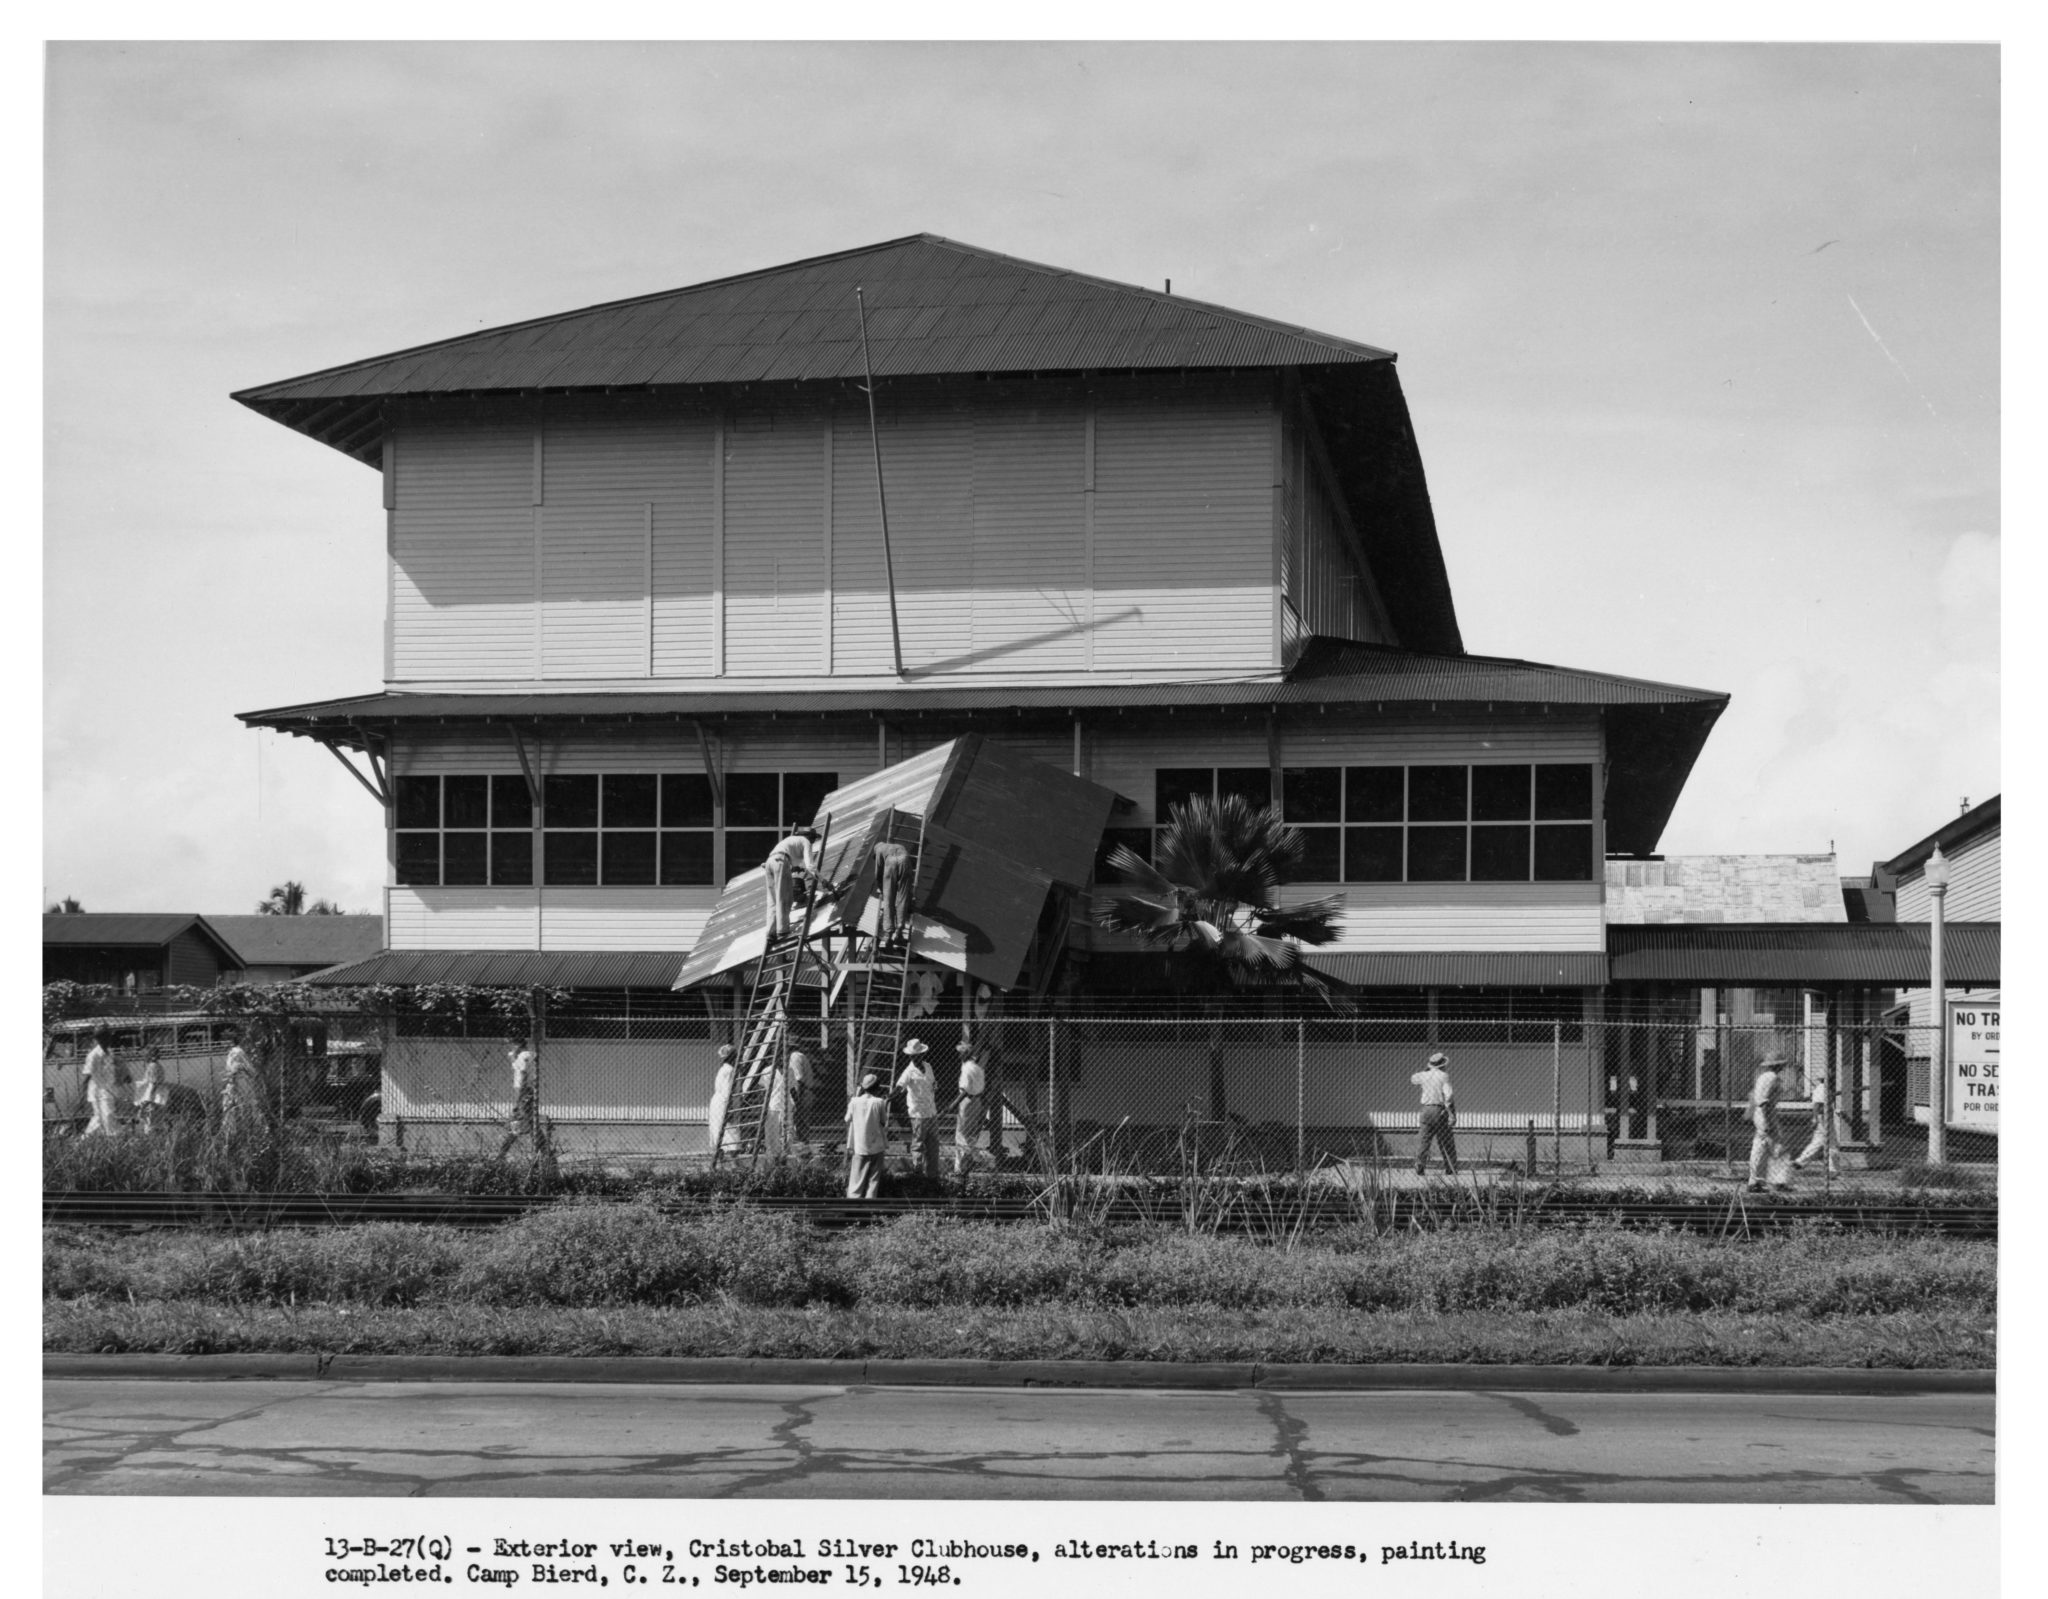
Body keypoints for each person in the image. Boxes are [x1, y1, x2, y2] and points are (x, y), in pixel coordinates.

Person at [1746, 1044, 1794, 1194]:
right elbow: (1765, 1101)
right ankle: (1778, 1181)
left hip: (1762, 1115)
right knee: (1779, 1148)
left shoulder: (1763, 1077)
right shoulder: (1772, 1078)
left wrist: (1751, 1113)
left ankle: (1756, 1181)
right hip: (1766, 1115)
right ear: (1778, 1065)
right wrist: (1768, 1121)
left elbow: (1754, 1096)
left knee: (1761, 1148)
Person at [763, 826, 821, 942]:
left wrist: (796, 869)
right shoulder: (805, 842)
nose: (812, 842)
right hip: (781, 861)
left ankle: (771, 933)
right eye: (813, 839)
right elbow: (810, 866)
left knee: (772, 901)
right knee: (785, 898)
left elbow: (792, 861)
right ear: (808, 836)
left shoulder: (789, 840)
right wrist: (822, 880)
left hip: (769, 863)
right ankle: (783, 931)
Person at [894, 1037, 939, 1180]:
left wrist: (934, 1087)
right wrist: (890, 1096)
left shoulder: (928, 1066)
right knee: (918, 1145)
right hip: (918, 1113)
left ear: (921, 1054)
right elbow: (900, 1086)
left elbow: (933, 1083)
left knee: (933, 1146)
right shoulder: (909, 1071)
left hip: (931, 1111)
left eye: (915, 1055)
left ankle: (932, 1175)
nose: (913, 1058)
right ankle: (917, 1174)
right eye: (911, 1056)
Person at [1411, 1050, 1458, 1177]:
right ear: (1442, 1064)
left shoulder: (1423, 1075)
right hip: (1439, 1109)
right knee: (1446, 1140)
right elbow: (1449, 1095)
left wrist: (1427, 1071)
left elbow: (1413, 1079)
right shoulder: (1444, 1076)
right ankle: (1451, 1167)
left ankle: (1420, 1164)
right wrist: (1450, 1112)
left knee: (1424, 1140)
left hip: (1426, 1109)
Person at [845, 1071, 889, 1198]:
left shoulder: (854, 1102)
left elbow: (847, 1119)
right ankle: (870, 1207)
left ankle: (852, 1206)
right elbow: (883, 1121)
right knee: (873, 1180)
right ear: (878, 1088)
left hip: (859, 1146)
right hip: (876, 1146)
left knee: (856, 1180)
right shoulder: (879, 1102)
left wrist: (857, 1097)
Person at [498, 1033, 543, 1157]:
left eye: (512, 1045)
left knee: (517, 1123)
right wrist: (513, 1056)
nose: (511, 1048)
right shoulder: (528, 1055)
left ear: (517, 1044)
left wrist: (517, 1101)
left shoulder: (523, 1056)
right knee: (531, 1124)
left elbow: (523, 1076)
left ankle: (501, 1154)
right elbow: (517, 1067)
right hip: (527, 1091)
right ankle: (543, 1150)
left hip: (523, 1092)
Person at [81, 1026, 126, 1138]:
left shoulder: (109, 1052)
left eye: (109, 1037)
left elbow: (112, 1070)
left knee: (100, 1117)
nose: (109, 1039)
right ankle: (115, 1137)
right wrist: (82, 1091)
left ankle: (85, 1139)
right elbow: (88, 1074)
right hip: (98, 1091)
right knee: (107, 1114)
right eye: (105, 1037)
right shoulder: (93, 1055)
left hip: (109, 1089)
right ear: (99, 1039)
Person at [220, 1030, 263, 1141]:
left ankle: (233, 1131)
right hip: (240, 1081)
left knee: (233, 1105)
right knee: (246, 1104)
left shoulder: (235, 1052)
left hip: (238, 1081)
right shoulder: (237, 1052)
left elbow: (239, 1068)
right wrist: (252, 1073)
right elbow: (250, 1069)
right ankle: (250, 1129)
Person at [953, 1045, 987, 1178]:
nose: (958, 1055)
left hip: (967, 1101)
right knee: (971, 1133)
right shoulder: (978, 1068)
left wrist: (952, 1105)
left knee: (961, 1134)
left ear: (964, 1054)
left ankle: (963, 1165)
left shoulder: (966, 1069)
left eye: (960, 1053)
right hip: (977, 1100)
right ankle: (970, 1161)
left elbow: (965, 1090)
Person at [873, 839, 912, 942]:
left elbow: (878, 873)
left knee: (888, 898)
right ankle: (900, 926)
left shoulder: (878, 850)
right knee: (902, 897)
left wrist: (881, 888)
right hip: (905, 860)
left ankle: (889, 931)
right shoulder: (897, 845)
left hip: (891, 863)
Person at [705, 1042, 737, 1155]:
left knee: (717, 1125)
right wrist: (729, 1106)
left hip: (717, 1099)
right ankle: (729, 1150)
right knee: (725, 1124)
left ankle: (720, 1149)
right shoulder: (729, 1070)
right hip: (722, 1099)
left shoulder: (724, 1068)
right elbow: (727, 1090)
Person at [133, 1047, 171, 1135]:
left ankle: (153, 1137)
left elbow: (153, 1083)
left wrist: (148, 1099)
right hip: (158, 1095)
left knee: (151, 1122)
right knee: (155, 1121)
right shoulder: (156, 1065)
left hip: (154, 1096)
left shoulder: (153, 1066)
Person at [786, 1048, 812, 1144]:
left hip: (801, 1092)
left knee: (798, 1120)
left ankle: (800, 1145)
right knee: (801, 1122)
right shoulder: (800, 1055)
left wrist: (796, 1100)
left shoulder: (794, 1056)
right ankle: (802, 1144)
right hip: (806, 1091)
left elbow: (798, 1080)